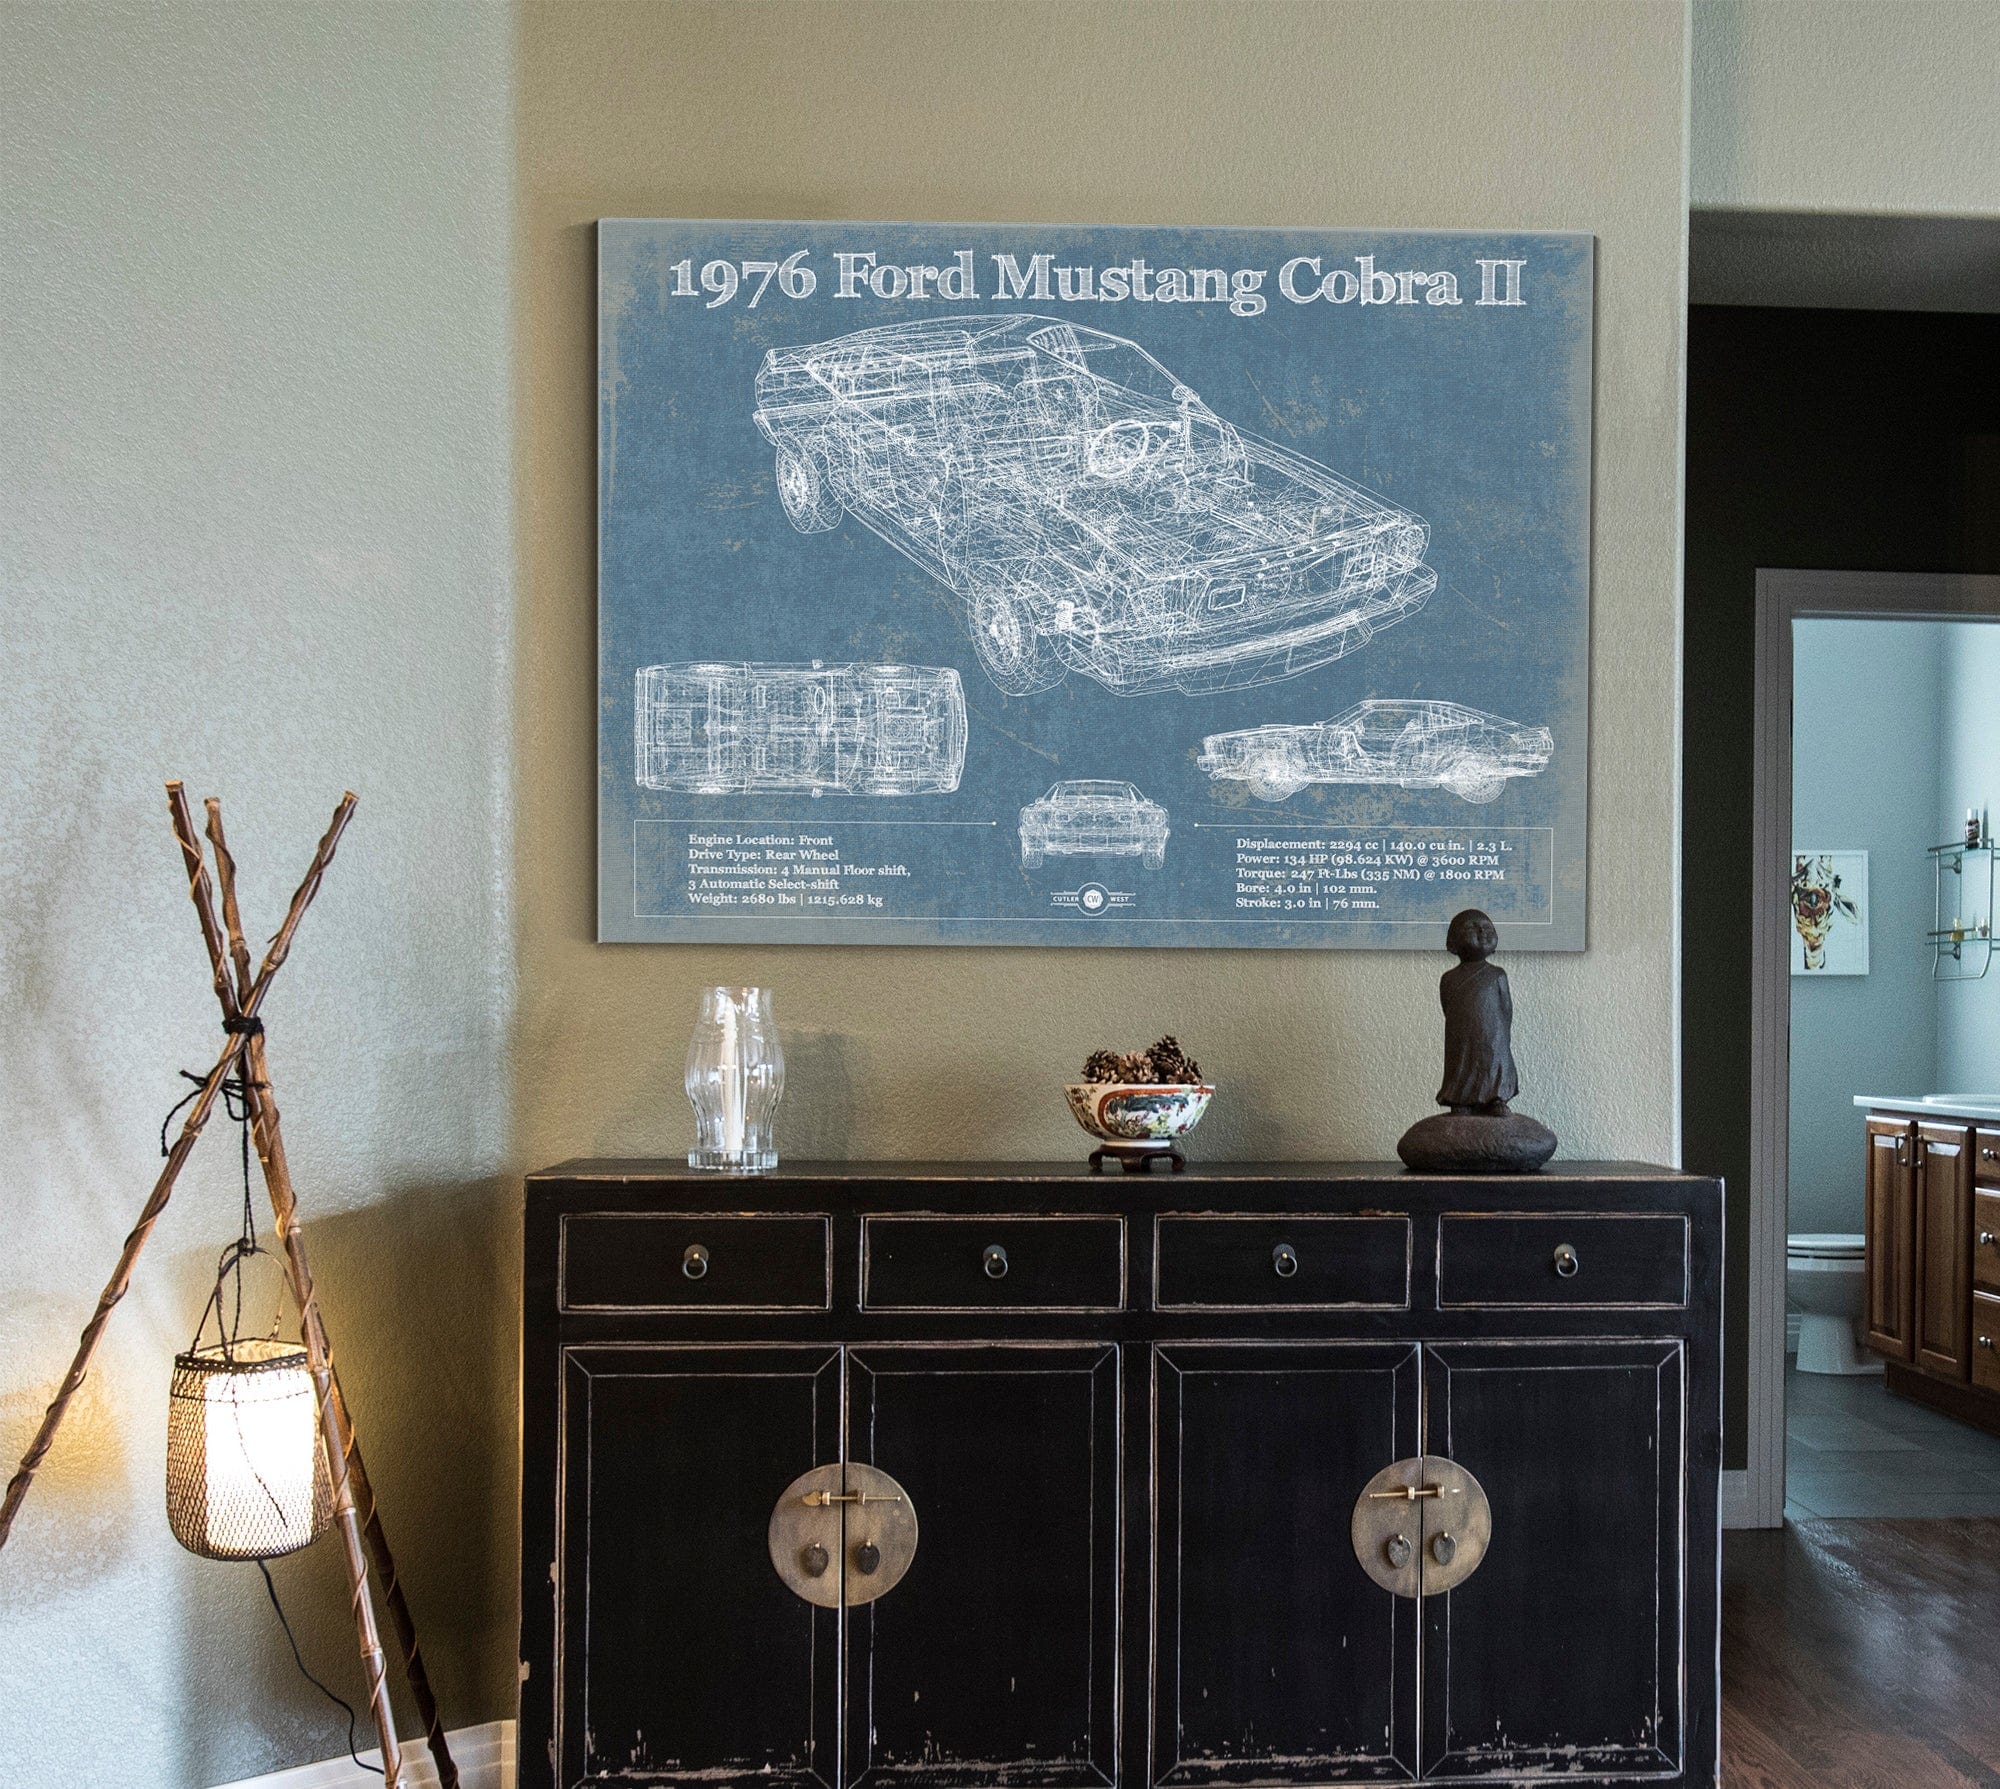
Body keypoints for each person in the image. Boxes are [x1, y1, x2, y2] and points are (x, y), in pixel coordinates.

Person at [1435, 908, 1518, 1114]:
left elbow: (1506, 1010)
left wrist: (1500, 1035)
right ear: (1453, 940)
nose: (1482, 932)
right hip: (1461, 1035)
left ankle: (1496, 1098)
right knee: (1461, 1063)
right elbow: (1448, 1008)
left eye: (1487, 928)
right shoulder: (1449, 978)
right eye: (1472, 928)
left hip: (1493, 1035)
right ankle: (1461, 1100)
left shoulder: (1497, 975)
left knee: (1494, 1062)